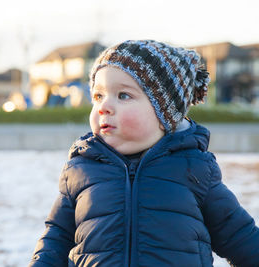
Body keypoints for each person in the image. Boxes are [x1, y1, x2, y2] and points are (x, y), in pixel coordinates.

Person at [29, 40, 259, 267]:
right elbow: (56, 239)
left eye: (123, 96)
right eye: (98, 96)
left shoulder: (194, 168)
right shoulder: (81, 169)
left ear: (164, 115)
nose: (104, 106)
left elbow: (240, 236)